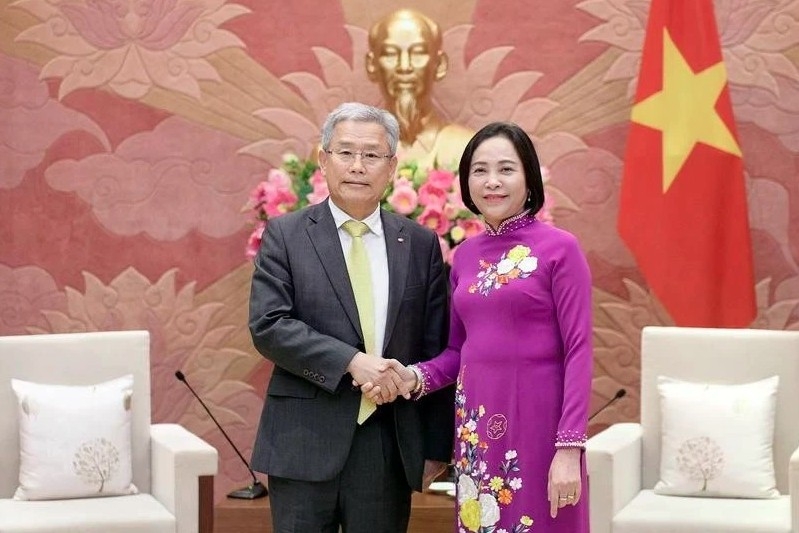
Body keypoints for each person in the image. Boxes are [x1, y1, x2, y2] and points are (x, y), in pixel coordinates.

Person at [364, 122, 593, 532]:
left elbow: (579, 349)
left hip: (540, 430)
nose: (492, 182)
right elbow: (458, 352)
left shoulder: (561, 248)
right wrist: (413, 377)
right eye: (480, 170)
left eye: (506, 169)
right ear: (467, 182)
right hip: (477, 431)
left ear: (529, 177)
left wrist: (569, 448)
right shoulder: (466, 255)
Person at [248, 102, 454, 533]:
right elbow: (269, 325)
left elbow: (436, 347)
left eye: (372, 154)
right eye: (345, 152)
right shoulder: (286, 235)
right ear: (323, 160)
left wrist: (437, 446)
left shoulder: (419, 244)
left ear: (392, 166)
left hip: (386, 443)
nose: (358, 165)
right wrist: (351, 361)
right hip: (303, 439)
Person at [366, 8, 473, 170]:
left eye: (418, 53)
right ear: (371, 65)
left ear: (439, 65)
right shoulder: (348, 154)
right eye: (390, 54)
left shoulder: (467, 149)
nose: (404, 67)